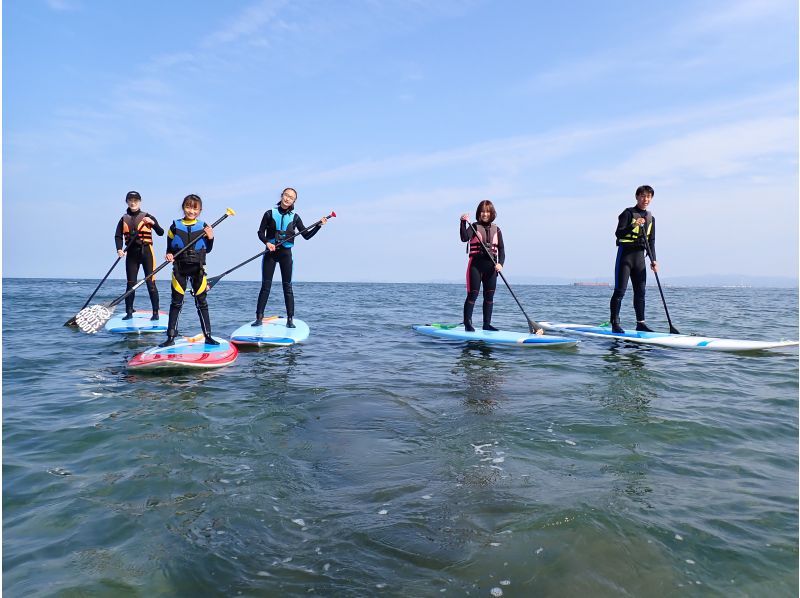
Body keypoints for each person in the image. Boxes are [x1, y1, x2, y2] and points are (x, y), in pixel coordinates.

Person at [253, 188, 327, 328]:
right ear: (282, 196)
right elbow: (260, 232)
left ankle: (290, 320)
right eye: (286, 195)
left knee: (287, 287)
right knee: (265, 287)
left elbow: (306, 236)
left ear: (294, 201)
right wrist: (267, 243)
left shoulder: (295, 217)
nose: (287, 198)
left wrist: (318, 226)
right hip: (270, 253)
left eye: (291, 197)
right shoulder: (269, 214)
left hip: (286, 255)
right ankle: (259, 318)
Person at [160, 194, 217, 347]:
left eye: (195, 208)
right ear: (183, 207)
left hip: (198, 269)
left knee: (202, 303)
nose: (191, 211)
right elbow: (169, 248)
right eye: (188, 207)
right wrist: (169, 254)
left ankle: (208, 336)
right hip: (179, 269)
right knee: (176, 303)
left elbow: (209, 249)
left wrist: (211, 237)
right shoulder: (174, 226)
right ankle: (170, 337)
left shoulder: (204, 226)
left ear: (200, 210)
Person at [609, 185, 658, 333]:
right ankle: (615, 323)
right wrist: (633, 225)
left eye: (648, 196)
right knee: (620, 291)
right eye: (643, 196)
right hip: (625, 257)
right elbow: (619, 233)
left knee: (640, 292)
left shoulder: (651, 218)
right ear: (637, 197)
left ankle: (640, 323)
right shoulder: (628, 213)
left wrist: (653, 260)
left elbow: (651, 242)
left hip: (640, 259)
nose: (646, 199)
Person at [114, 190, 164, 320]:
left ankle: (155, 313)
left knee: (150, 283)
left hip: (146, 252)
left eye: (135, 200)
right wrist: (119, 249)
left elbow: (161, 232)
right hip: (131, 254)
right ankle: (129, 312)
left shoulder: (147, 216)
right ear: (127, 202)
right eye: (130, 200)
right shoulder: (123, 219)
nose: (133, 202)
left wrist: (153, 223)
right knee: (130, 283)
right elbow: (118, 236)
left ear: (139, 202)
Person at [460, 200, 505, 332]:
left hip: (491, 268)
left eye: (487, 211)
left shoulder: (497, 229)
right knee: (473, 294)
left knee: (489, 296)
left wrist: (500, 264)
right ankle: (468, 323)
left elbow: (502, 250)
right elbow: (464, 238)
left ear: (492, 213)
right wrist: (463, 222)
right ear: (479, 213)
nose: (485, 214)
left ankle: (487, 324)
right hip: (476, 267)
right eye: (482, 211)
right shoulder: (473, 226)